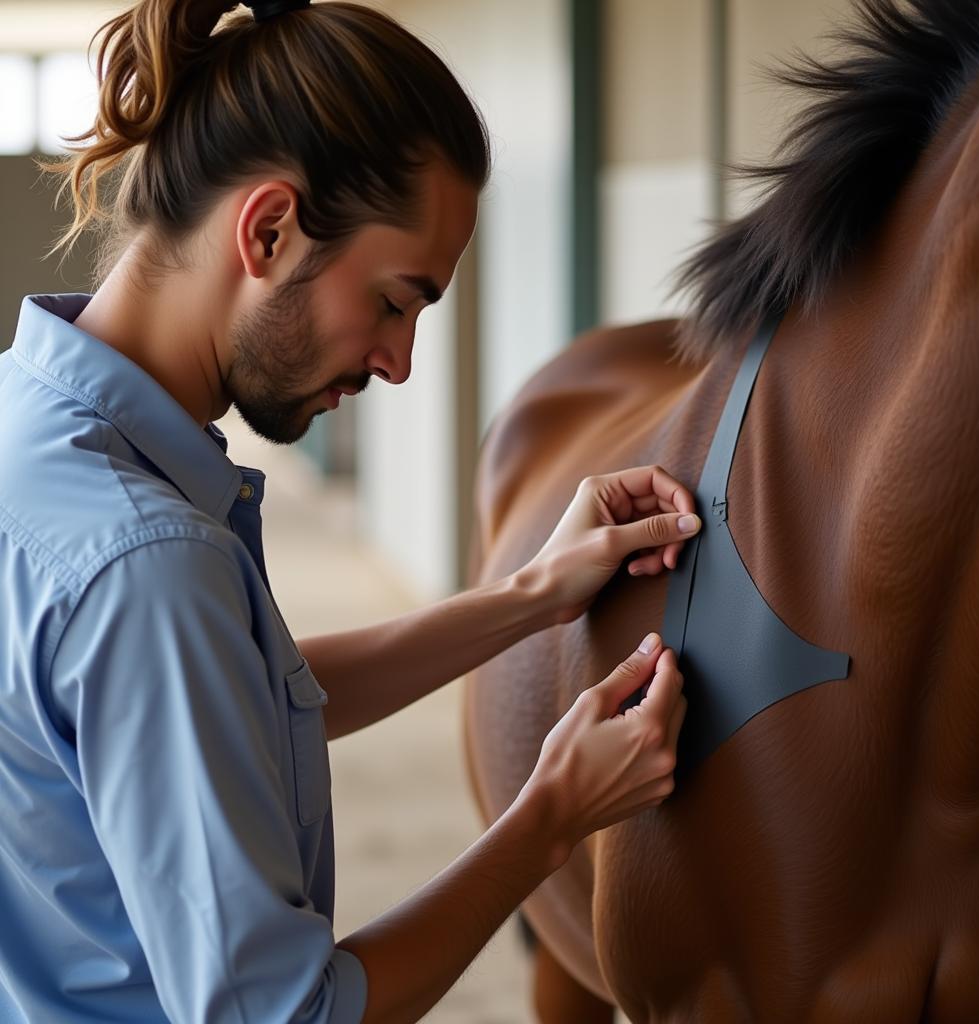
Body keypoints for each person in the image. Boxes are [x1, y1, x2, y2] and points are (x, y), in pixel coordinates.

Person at [0, 1, 701, 1021]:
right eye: (392, 300)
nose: (400, 362)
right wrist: (550, 816)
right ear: (270, 228)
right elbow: (286, 1012)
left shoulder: (33, 427)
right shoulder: (145, 562)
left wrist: (532, 595)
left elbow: (228, 709)